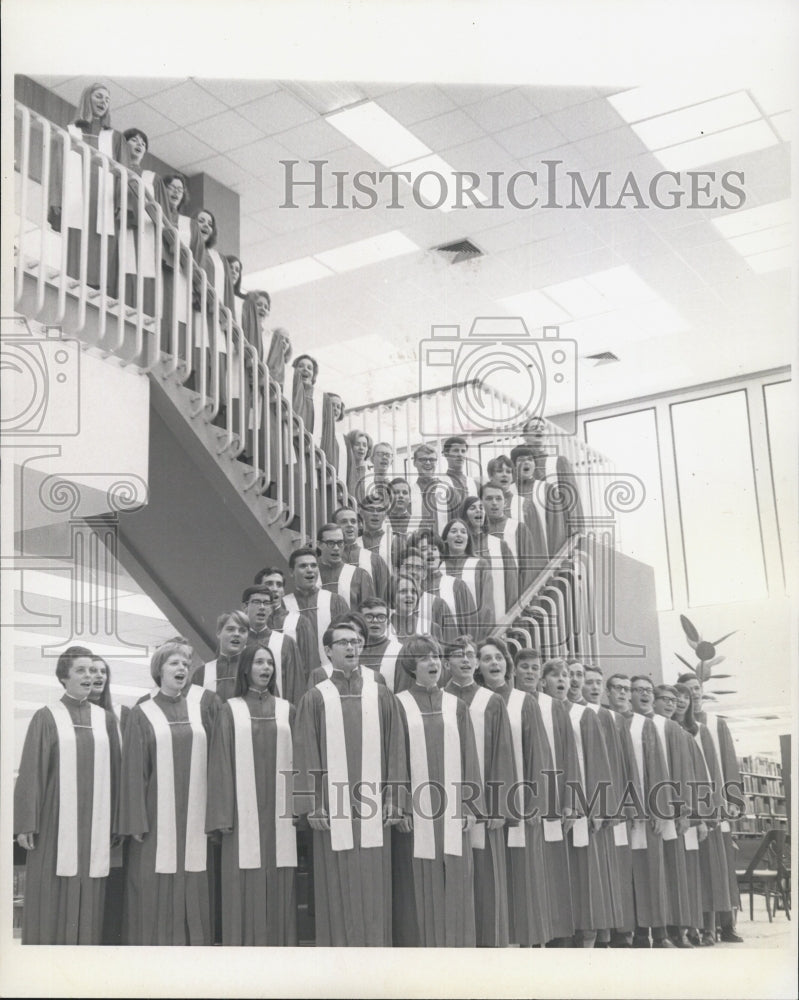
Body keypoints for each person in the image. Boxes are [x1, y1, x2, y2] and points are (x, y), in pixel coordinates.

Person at [294, 622, 407, 945]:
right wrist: (312, 804)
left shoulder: (381, 694)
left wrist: (395, 799)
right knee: (336, 882)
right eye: (342, 642)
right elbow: (305, 753)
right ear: (328, 651)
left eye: (355, 642)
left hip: (375, 806)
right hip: (331, 808)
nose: (350, 647)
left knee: (373, 881)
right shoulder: (315, 698)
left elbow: (395, 748)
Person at [14, 646, 122, 945]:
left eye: (92, 670)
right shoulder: (47, 717)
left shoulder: (106, 720)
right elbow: (31, 772)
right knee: (51, 887)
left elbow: (116, 773)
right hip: (54, 821)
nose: (89, 676)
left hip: (94, 825)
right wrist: (25, 823)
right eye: (81, 671)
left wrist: (115, 820)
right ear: (64, 677)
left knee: (90, 885)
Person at [119, 637, 220, 945]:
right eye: (175, 663)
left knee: (195, 873)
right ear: (159, 669)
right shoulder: (143, 712)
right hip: (156, 816)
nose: (182, 669)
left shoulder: (201, 709)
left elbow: (217, 762)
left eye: (187, 665)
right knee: (154, 879)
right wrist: (135, 819)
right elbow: (134, 770)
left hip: (195, 811)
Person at [391, 636, 482, 946]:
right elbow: (394, 758)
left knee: (456, 874)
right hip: (416, 813)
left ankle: (458, 951)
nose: (433, 663)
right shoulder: (398, 704)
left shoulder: (456, 705)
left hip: (452, 806)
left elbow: (469, 755)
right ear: (410, 665)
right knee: (417, 878)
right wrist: (400, 807)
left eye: (436, 657)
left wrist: (470, 805)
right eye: (424, 658)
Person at [206, 642, 298, 945]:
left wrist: (300, 807)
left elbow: (302, 759)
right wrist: (222, 816)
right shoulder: (229, 710)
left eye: (269, 663)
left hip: (279, 814)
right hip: (242, 815)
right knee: (242, 879)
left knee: (280, 878)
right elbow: (219, 763)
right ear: (246, 668)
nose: (266, 668)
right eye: (259, 663)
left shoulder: (287, 710)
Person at [477, 638, 553, 947]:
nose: (494, 663)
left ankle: (528, 941)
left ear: (508, 664)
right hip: (484, 801)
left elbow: (539, 754)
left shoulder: (524, 701)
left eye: (499, 657)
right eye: (486, 658)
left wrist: (536, 801)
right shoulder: (473, 700)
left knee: (524, 871)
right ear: (478, 666)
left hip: (520, 800)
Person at [444, 636, 516, 947]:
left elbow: (503, 753)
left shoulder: (491, 701)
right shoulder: (439, 698)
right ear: (446, 662)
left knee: (488, 878)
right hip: (445, 804)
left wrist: (500, 806)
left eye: (470, 655)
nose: (465, 660)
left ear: (476, 664)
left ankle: (490, 946)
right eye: (457, 655)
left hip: (486, 805)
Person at [544, 659, 612, 948]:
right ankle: (559, 932)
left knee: (582, 872)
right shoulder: (538, 711)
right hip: (549, 801)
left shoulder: (584, 715)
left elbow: (598, 761)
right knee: (554, 871)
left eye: (570, 676)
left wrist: (597, 808)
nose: (566, 681)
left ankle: (585, 934)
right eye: (560, 675)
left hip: (580, 800)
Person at [677, 672, 744, 940]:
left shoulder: (715, 724)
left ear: (703, 691)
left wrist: (732, 801)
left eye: (697, 688)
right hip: (694, 802)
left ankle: (726, 925)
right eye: (687, 690)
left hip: (717, 802)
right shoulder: (677, 724)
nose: (693, 694)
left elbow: (726, 763)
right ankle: (703, 925)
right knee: (700, 866)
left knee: (721, 866)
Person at [48, 82, 131, 289]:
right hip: (77, 200)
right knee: (76, 246)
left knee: (104, 249)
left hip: (104, 203)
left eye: (107, 99)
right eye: (99, 97)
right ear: (87, 98)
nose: (103, 102)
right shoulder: (68, 131)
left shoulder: (115, 138)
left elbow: (124, 173)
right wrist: (56, 198)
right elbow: (57, 166)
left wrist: (122, 202)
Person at [581, 663, 636, 947]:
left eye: (597, 682)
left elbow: (626, 765)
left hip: (612, 805)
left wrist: (628, 805)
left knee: (615, 869)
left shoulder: (613, 719)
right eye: (588, 681)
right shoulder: (574, 714)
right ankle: (599, 934)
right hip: (587, 804)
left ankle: (616, 933)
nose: (593, 687)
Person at [651, 684, 703, 947]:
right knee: (659, 873)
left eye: (674, 700)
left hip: (673, 811)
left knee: (675, 872)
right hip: (654, 810)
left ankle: (677, 930)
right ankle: (661, 932)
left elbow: (686, 775)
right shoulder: (649, 728)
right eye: (665, 699)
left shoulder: (677, 732)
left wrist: (685, 812)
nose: (671, 704)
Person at [627, 675, 672, 947]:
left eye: (648, 690)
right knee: (632, 875)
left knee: (654, 872)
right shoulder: (616, 722)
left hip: (650, 810)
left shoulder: (648, 726)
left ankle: (661, 932)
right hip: (628, 813)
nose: (644, 694)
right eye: (638, 690)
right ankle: (639, 933)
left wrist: (660, 810)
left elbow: (659, 770)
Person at [88, 654, 128, 944]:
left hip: (109, 816)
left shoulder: (115, 718)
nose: (99, 676)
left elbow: (121, 770)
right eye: (92, 671)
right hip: (82, 815)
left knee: (110, 884)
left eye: (103, 672)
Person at [112, 127, 158, 314]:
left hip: (140, 233)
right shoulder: (115, 167)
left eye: (143, 143)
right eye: (135, 140)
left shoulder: (150, 179)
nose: (140, 144)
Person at [283, 547, 349, 672]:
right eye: (303, 566)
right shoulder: (283, 605)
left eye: (313, 565)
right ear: (292, 572)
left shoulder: (335, 601)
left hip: (331, 672)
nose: (310, 570)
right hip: (296, 675)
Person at [241, 586, 306, 702]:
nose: (262, 607)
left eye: (266, 603)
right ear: (245, 607)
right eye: (256, 602)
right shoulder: (236, 643)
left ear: (271, 609)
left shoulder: (286, 642)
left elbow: (297, 687)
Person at [252, 566, 317, 676]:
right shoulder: (245, 625)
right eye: (269, 584)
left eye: (279, 585)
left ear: (283, 591)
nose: (274, 589)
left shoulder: (300, 623)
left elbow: (310, 666)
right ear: (257, 589)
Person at [460, 495, 518, 617]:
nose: (478, 510)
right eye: (472, 508)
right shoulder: (459, 548)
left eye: (481, 507)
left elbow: (511, 583)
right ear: (464, 515)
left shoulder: (499, 545)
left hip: (499, 610)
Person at [440, 518, 497, 638]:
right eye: (454, 531)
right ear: (445, 539)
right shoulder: (439, 567)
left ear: (468, 539)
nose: (459, 535)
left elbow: (487, 605)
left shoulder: (479, 564)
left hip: (475, 635)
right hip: (446, 635)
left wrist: (481, 637)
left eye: (463, 532)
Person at [481, 482, 538, 595]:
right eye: (489, 499)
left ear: (505, 502)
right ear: (481, 502)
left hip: (515, 592)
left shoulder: (518, 528)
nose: (494, 503)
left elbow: (528, 568)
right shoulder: (478, 532)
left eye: (498, 498)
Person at [335, 505, 390, 603]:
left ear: (359, 525)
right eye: (344, 522)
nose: (349, 525)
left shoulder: (375, 560)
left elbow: (385, 599)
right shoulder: (327, 560)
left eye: (353, 521)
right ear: (334, 526)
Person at [192, 610, 250, 702]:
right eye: (231, 629)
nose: (236, 634)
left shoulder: (253, 670)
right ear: (218, 633)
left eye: (242, 631)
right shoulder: (201, 673)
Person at [317, 522, 375, 610]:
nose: (336, 548)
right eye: (331, 543)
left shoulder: (359, 575)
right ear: (319, 545)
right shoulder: (308, 574)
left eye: (340, 543)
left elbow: (369, 611)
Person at [358, 597, 405, 692]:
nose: (375, 621)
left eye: (381, 617)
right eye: (368, 616)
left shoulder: (399, 651)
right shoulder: (350, 649)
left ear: (388, 622)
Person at [441, 436, 481, 518]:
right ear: (446, 454)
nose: (460, 454)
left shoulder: (474, 484)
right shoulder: (440, 483)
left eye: (463, 451)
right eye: (456, 450)